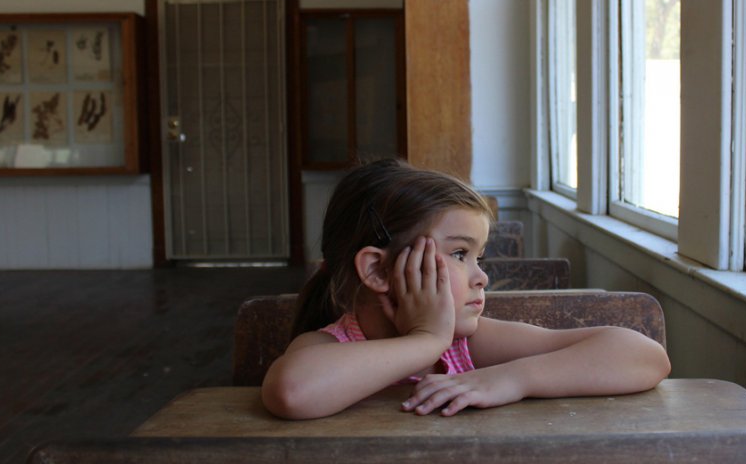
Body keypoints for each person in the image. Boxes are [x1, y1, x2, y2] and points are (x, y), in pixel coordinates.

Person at [262, 159, 670, 420]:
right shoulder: (329, 345)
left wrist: (512, 379)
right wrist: (426, 340)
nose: (482, 277)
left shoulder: (466, 347)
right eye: (459, 254)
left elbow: (644, 357)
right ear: (378, 270)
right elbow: (293, 392)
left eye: (480, 257)